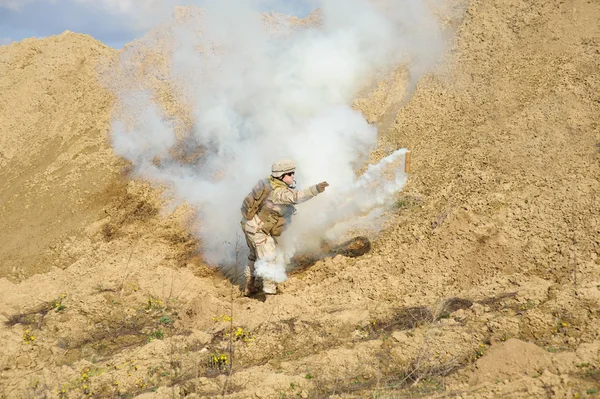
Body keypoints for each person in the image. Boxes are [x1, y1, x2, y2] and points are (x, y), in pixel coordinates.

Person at [240, 159, 328, 295]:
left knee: (254, 256)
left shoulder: (269, 182)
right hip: (259, 231)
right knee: (269, 259)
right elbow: (297, 197)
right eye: (290, 174)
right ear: (281, 176)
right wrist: (316, 189)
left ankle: (249, 286)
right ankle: (270, 293)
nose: (293, 176)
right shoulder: (278, 192)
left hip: (250, 225)